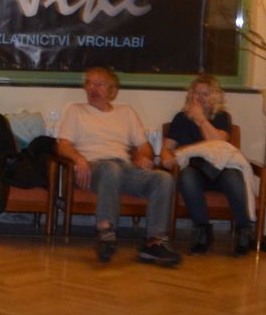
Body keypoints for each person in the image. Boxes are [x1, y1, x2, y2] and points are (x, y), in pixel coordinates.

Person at [55, 66, 181, 266]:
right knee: (110, 169)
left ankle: (154, 242)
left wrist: (144, 157)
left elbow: (144, 146)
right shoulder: (76, 111)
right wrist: (79, 159)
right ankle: (105, 233)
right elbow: (63, 145)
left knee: (164, 178)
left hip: (124, 169)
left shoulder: (126, 112)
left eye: (99, 84)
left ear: (112, 91)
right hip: (94, 168)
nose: (92, 88)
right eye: (89, 83)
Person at [162, 73, 256, 257]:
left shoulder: (222, 117)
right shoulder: (181, 118)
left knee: (233, 177)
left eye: (205, 94)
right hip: (195, 170)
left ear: (214, 97)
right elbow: (167, 147)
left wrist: (201, 119)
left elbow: (219, 143)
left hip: (221, 169)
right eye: (196, 93)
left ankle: (244, 231)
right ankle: (202, 233)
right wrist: (166, 158)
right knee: (187, 176)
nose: (199, 98)